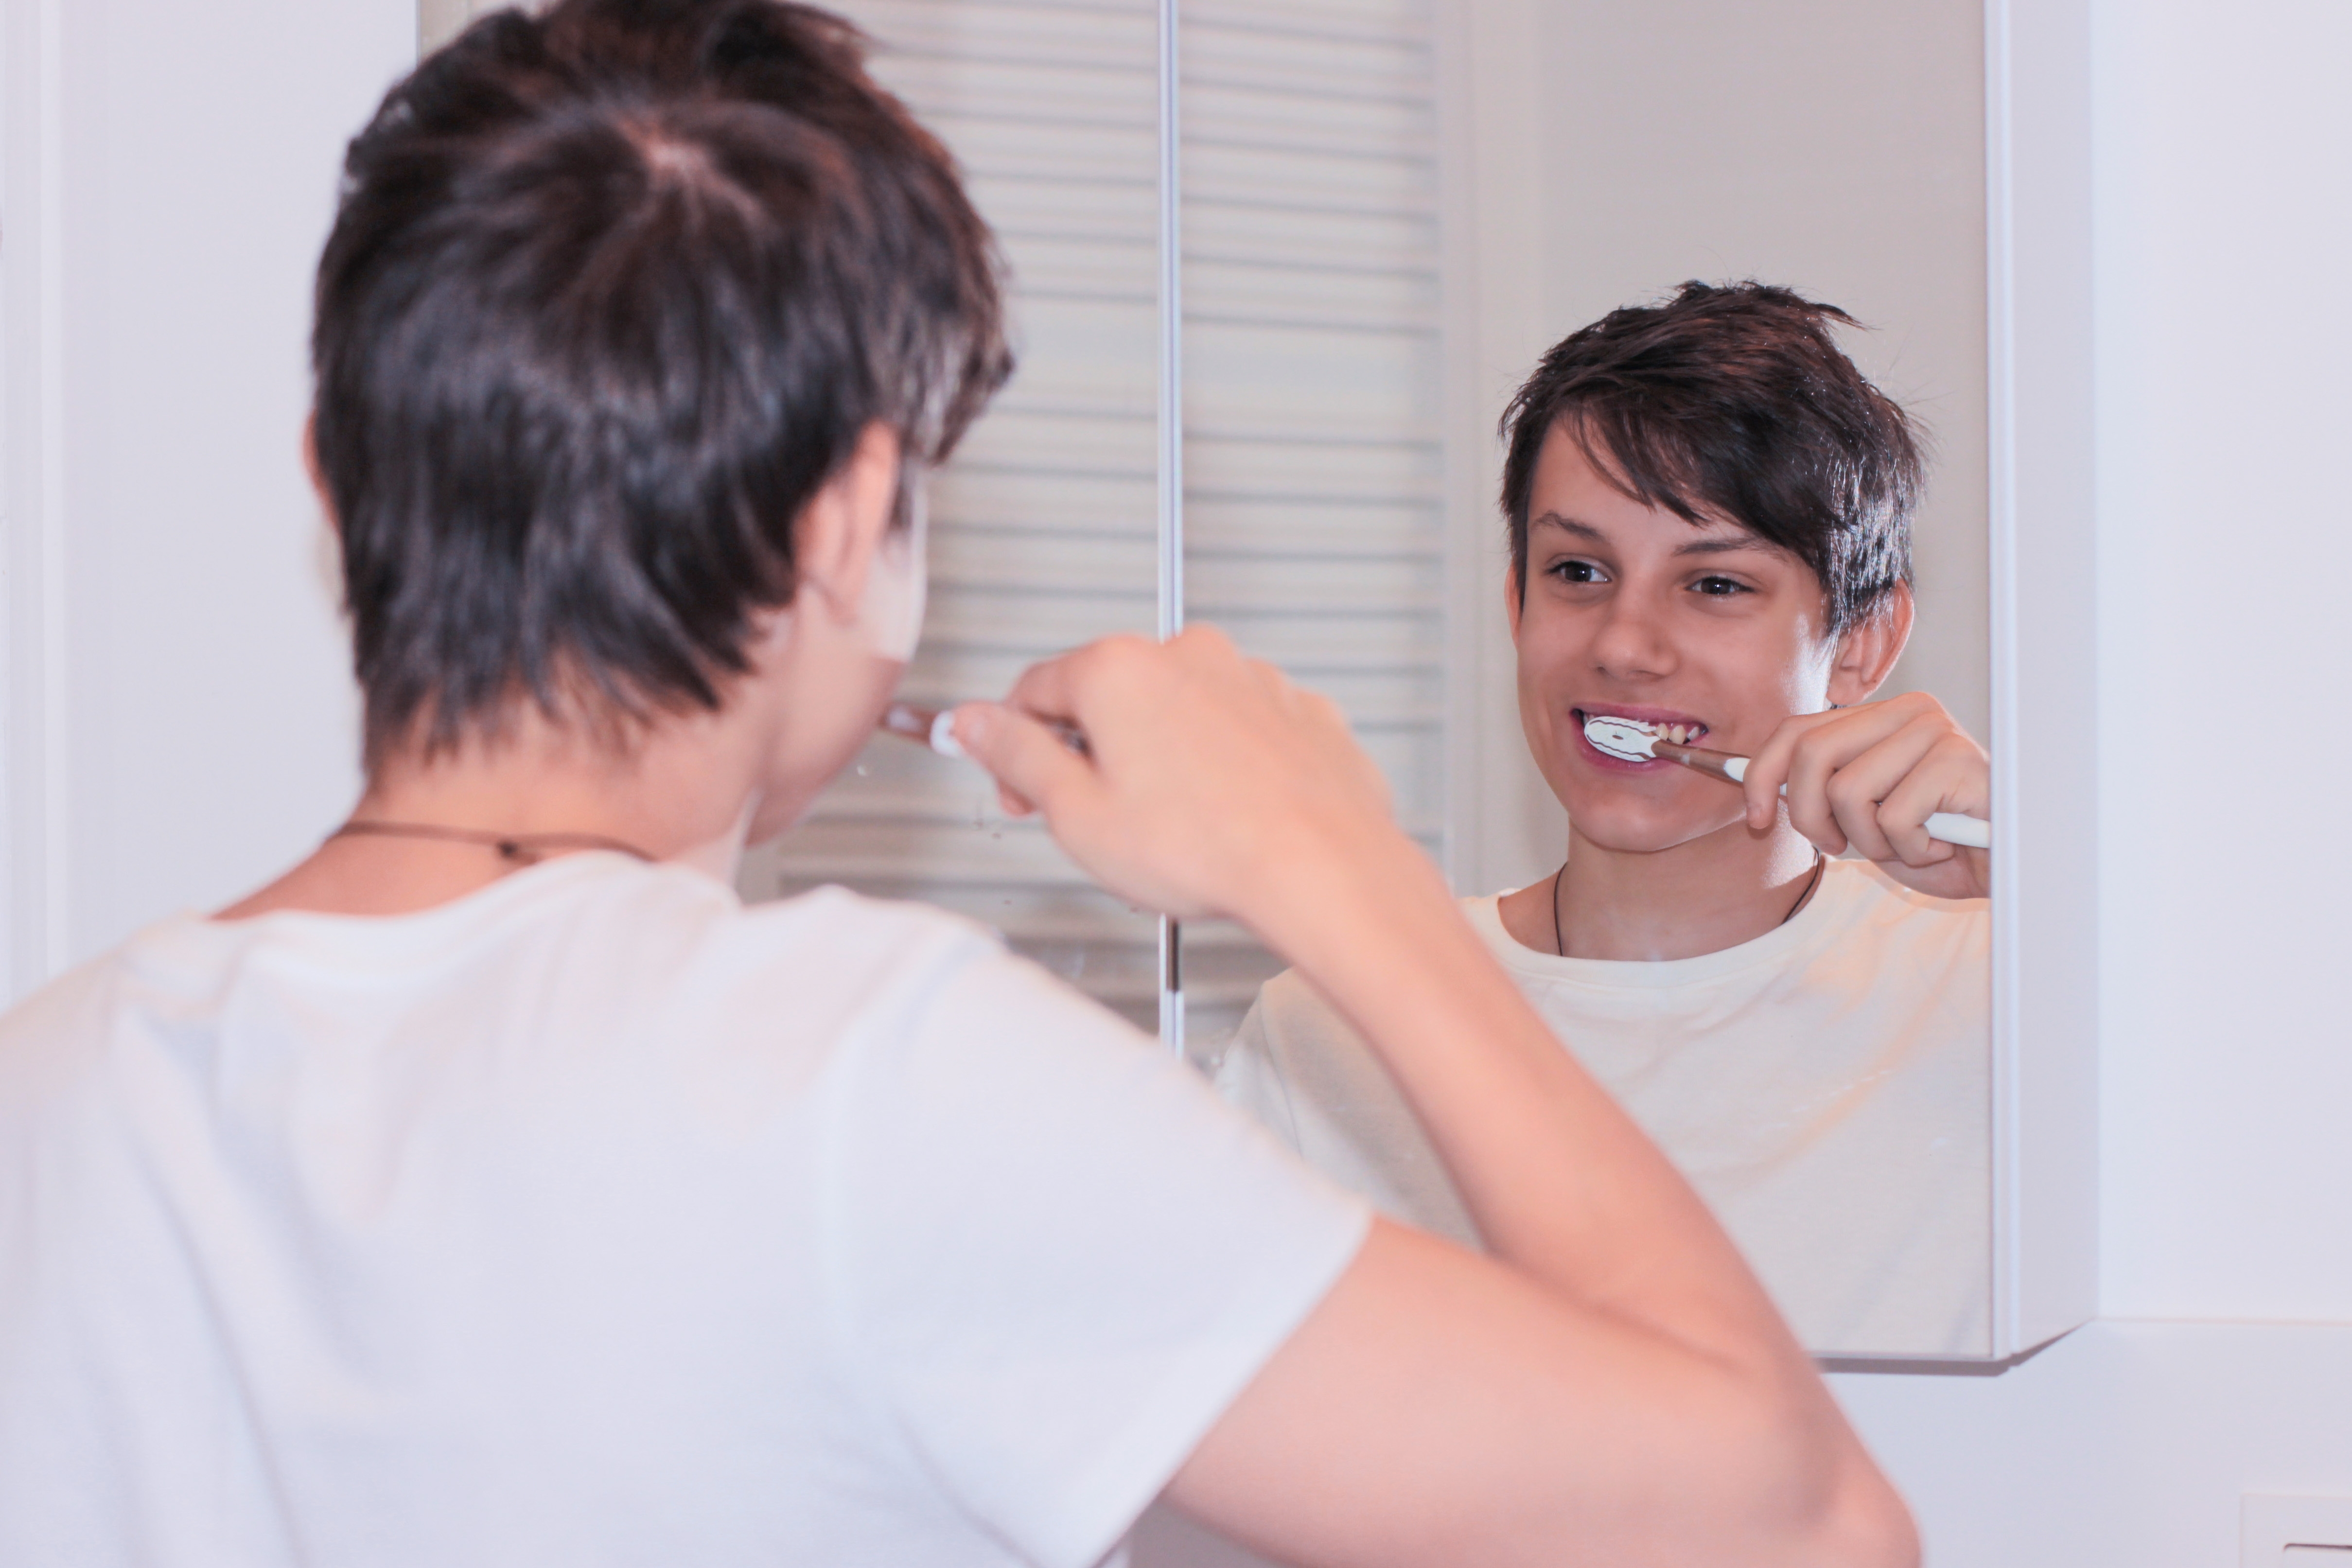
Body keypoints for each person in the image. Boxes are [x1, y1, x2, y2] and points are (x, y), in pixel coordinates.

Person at [0, 8, 1915, 1566]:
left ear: (334, 477)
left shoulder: (48, 1085)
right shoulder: (874, 1075)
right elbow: (1806, 1528)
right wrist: (1338, 866)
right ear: (849, 522)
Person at [1218, 283, 1995, 1359]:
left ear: (1860, 643)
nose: (1624, 644)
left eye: (1714, 582)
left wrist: (2063, 876)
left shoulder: (2003, 988)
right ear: (1515, 604)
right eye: (1577, 572)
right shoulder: (1333, 1028)